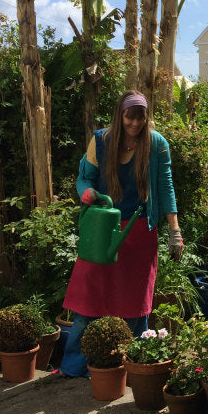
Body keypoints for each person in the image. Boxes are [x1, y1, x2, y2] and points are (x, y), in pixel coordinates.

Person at [57, 90, 183, 377]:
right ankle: (75, 366)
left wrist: (174, 231)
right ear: (119, 115)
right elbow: (84, 176)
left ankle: (132, 366)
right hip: (102, 229)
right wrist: (85, 192)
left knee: (135, 303)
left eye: (140, 117)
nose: (135, 123)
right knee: (88, 296)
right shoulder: (101, 140)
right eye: (130, 116)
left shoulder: (156, 144)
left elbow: (166, 189)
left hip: (139, 231)